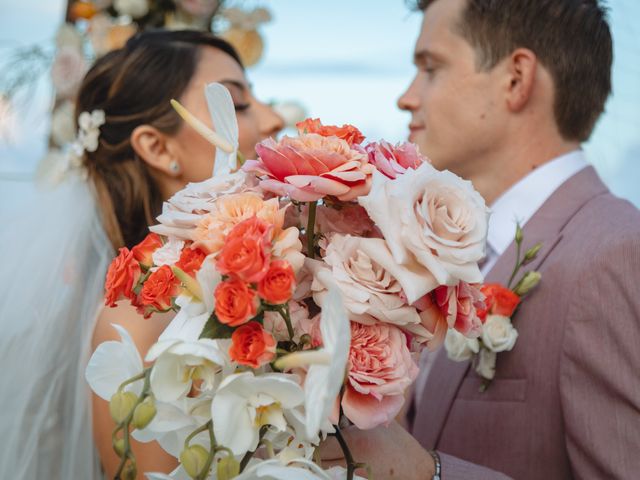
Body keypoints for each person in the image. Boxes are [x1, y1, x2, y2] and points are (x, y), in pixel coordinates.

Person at [322, 0, 640, 478]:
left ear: (516, 79)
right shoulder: (446, 256)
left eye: (431, 67)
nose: (407, 97)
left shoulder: (615, 254)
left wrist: (427, 473)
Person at [0, 29, 283, 480]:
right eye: (238, 103)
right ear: (157, 147)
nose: (273, 119)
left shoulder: (281, 278)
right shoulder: (136, 327)